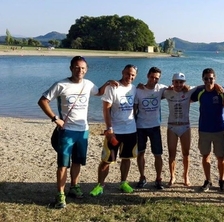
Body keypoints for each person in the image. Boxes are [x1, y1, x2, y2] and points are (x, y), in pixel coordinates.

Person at [37, 56, 117, 209]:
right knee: (63, 164)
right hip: (66, 131)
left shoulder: (88, 84)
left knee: (78, 161)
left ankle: (74, 186)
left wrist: (108, 83)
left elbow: (99, 92)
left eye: (83, 68)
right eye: (77, 67)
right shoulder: (61, 85)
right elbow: (42, 101)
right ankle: (60, 194)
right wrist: (55, 118)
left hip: (83, 130)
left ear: (86, 70)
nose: (80, 70)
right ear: (71, 68)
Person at [89, 64, 138, 197]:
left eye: (133, 75)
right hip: (115, 131)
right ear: (122, 72)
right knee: (107, 160)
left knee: (127, 158)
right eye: (128, 73)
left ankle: (123, 182)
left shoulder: (134, 89)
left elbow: (136, 107)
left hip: (131, 130)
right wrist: (109, 129)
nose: (130, 77)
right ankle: (100, 185)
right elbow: (106, 109)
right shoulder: (113, 87)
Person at [190, 68, 224, 192]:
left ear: (215, 78)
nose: (209, 81)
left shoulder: (221, 91)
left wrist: (218, 86)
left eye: (211, 78)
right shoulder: (200, 92)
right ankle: (208, 180)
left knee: (220, 157)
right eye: (206, 78)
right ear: (203, 79)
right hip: (204, 130)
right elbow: (187, 94)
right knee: (205, 156)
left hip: (218, 129)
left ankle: (222, 180)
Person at [134, 66, 167, 189]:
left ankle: (158, 179)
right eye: (152, 77)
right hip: (140, 126)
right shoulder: (138, 90)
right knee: (140, 153)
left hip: (155, 127)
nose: (154, 80)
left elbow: (175, 89)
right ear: (148, 75)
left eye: (157, 78)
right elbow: (134, 109)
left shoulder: (161, 88)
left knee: (158, 154)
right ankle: (142, 177)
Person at [163, 73, 198, 187]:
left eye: (181, 82)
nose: (178, 84)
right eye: (176, 82)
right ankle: (172, 176)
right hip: (172, 126)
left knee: (186, 154)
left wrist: (218, 86)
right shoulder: (167, 92)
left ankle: (186, 176)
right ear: (172, 82)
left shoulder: (189, 91)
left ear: (184, 83)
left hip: (185, 126)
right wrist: (141, 86)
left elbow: (204, 86)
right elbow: (153, 89)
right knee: (171, 153)